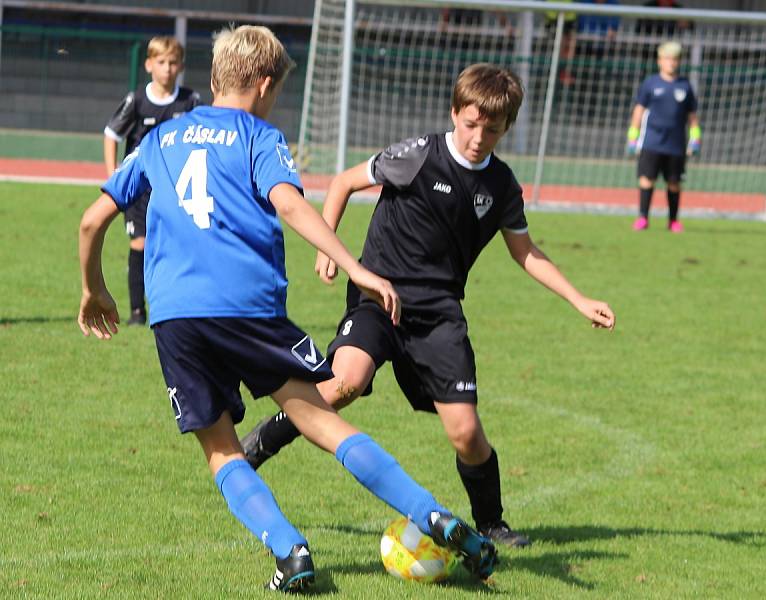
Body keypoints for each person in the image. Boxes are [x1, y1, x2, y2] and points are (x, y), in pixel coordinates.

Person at [79, 25, 496, 592]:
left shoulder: (160, 140)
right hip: (249, 309)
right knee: (322, 421)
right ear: (265, 83)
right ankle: (434, 515)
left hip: (176, 315)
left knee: (222, 451)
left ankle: (290, 551)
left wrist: (93, 289)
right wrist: (357, 268)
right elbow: (291, 206)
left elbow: (91, 219)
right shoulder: (259, 135)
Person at [241, 63, 617, 549]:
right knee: (342, 383)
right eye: (471, 123)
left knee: (466, 433)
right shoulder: (418, 155)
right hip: (379, 297)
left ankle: (492, 522)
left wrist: (579, 298)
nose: (479, 137)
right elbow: (342, 182)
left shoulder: (501, 186)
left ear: (507, 128)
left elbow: (525, 252)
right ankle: (263, 442)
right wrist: (327, 247)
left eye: (493, 129)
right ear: (455, 113)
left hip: (439, 314)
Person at [103, 36, 201, 326]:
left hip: (175, 188)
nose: (167, 69)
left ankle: (174, 307)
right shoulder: (137, 101)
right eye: (161, 62)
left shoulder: (191, 101)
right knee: (140, 244)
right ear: (148, 65)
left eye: (173, 63)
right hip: (140, 190)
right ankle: (137, 311)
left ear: (181, 66)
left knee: (177, 247)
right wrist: (115, 177)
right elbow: (111, 134)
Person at [627, 41, 700, 232]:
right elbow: (639, 111)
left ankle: (673, 220)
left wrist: (696, 137)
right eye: (667, 59)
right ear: (660, 61)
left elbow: (692, 117)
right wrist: (632, 137)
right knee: (646, 178)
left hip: (675, 144)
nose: (671, 63)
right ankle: (643, 217)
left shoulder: (685, 86)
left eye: (675, 59)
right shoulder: (650, 83)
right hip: (652, 141)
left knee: (674, 183)